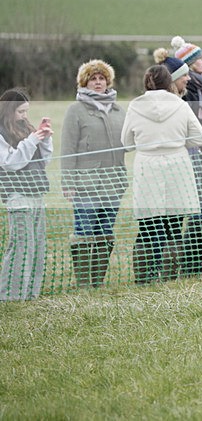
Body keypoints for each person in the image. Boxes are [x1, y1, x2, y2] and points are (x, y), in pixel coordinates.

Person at [121, 64, 202, 284]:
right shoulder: (180, 105)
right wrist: (177, 143)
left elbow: (126, 143)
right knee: (174, 226)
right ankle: (169, 277)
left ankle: (144, 278)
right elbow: (199, 138)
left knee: (148, 226)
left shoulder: (135, 106)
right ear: (169, 82)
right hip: (177, 164)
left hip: (147, 165)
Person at [60, 59, 127, 288]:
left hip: (113, 184)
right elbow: (67, 148)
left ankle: (97, 281)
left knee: (105, 232)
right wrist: (67, 182)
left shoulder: (119, 110)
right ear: (84, 82)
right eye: (93, 79)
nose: (98, 83)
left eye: (101, 79)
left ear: (108, 82)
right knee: (85, 232)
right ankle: (84, 283)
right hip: (85, 184)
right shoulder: (75, 110)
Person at [0, 88, 53, 301]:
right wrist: (31, 141)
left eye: (26, 111)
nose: (24, 116)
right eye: (20, 111)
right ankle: (10, 296)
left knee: (38, 248)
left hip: (36, 195)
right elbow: (12, 163)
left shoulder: (26, 127)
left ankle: (31, 293)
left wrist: (45, 139)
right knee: (22, 247)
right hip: (17, 197)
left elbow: (43, 160)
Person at [173, 36, 202, 277]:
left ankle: (194, 265)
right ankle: (189, 266)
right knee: (194, 212)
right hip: (192, 153)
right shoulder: (188, 90)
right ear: (188, 64)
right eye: (199, 58)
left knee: (201, 213)